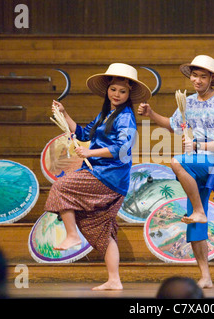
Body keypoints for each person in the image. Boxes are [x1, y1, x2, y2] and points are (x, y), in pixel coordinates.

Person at [44, 63, 151, 290]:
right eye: (113, 90)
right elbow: (82, 133)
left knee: (61, 187)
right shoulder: (106, 113)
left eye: (122, 91)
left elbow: (123, 148)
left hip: (109, 175)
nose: (117, 95)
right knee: (99, 229)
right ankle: (114, 280)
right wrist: (64, 114)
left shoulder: (126, 117)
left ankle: (71, 234)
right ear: (107, 90)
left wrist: (90, 152)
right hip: (101, 173)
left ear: (129, 93)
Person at [138, 55, 214, 288]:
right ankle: (206, 277)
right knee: (193, 222)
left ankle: (199, 210)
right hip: (195, 162)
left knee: (176, 162)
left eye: (203, 76)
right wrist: (151, 114)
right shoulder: (188, 102)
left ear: (211, 78)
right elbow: (172, 125)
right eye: (195, 75)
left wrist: (198, 145)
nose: (198, 80)